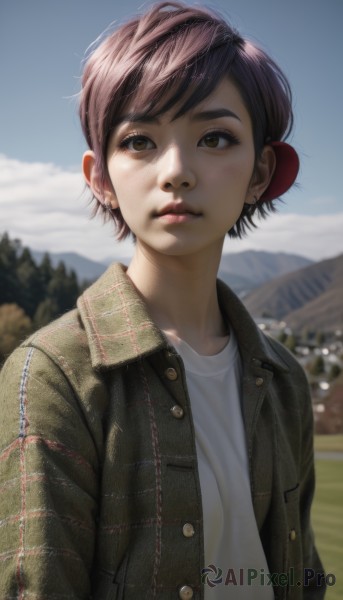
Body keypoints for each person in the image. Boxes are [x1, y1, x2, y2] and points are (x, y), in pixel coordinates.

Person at [0, 2, 326, 598]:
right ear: (100, 176)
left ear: (260, 171)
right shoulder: (53, 377)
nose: (175, 171)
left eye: (214, 137)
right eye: (140, 141)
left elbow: (298, 576)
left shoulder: (283, 381)